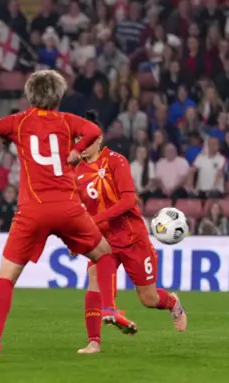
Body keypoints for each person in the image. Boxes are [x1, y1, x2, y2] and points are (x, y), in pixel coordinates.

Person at [0, 70, 135, 362]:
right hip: (69, 207)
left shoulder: (18, 122)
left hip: (32, 210)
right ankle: (109, 307)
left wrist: (8, 135)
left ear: (29, 95)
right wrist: (75, 150)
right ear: (59, 96)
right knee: (104, 255)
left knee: (5, 278)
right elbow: (94, 132)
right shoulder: (66, 120)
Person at [74, 112, 187, 355]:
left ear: (99, 138)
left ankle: (173, 302)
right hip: (104, 240)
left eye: (85, 139)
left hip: (132, 237)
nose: (80, 145)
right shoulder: (76, 173)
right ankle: (94, 341)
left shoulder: (116, 161)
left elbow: (127, 202)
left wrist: (96, 219)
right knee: (94, 278)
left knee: (148, 299)